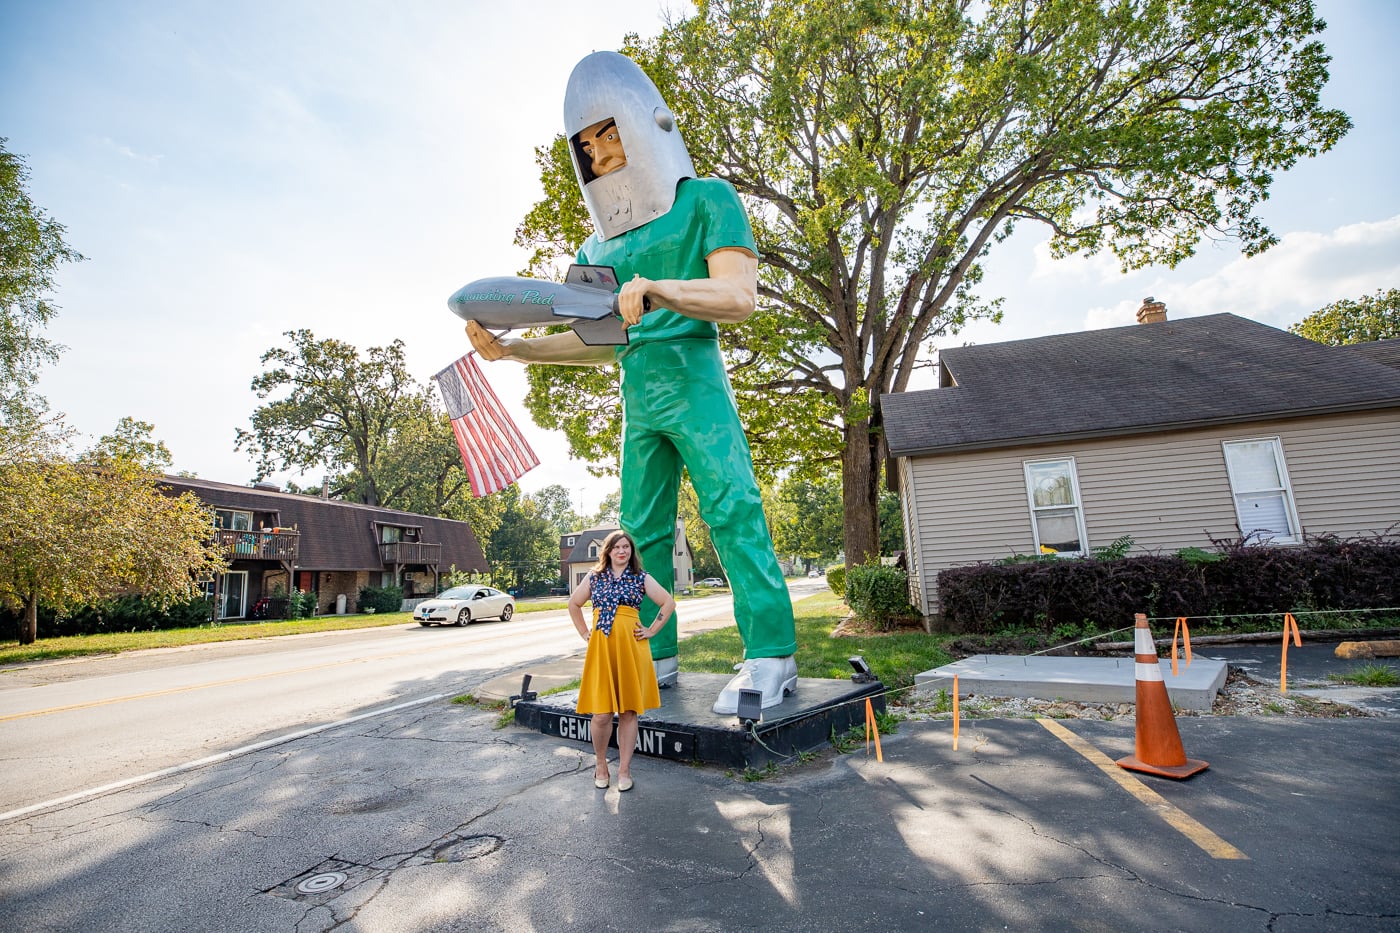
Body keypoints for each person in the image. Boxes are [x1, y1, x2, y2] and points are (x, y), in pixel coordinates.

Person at [466, 50, 798, 715]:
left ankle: (772, 653)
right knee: (639, 533)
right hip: (638, 395)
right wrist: (512, 351)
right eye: (586, 145)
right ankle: (656, 653)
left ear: (646, 127)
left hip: (696, 380)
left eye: (609, 132)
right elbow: (594, 338)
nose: (599, 151)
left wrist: (659, 291)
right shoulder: (595, 251)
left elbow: (738, 296)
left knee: (732, 509)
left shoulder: (708, 200)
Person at [568, 529, 675, 791]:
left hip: (631, 647)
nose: (622, 551)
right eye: (617, 547)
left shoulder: (640, 577)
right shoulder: (595, 577)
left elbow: (668, 603)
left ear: (631, 551)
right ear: (608, 551)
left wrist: (651, 630)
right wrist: (585, 633)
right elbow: (574, 603)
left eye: (626, 547)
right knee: (602, 713)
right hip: (602, 648)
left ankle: (625, 770)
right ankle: (601, 764)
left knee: (628, 711)